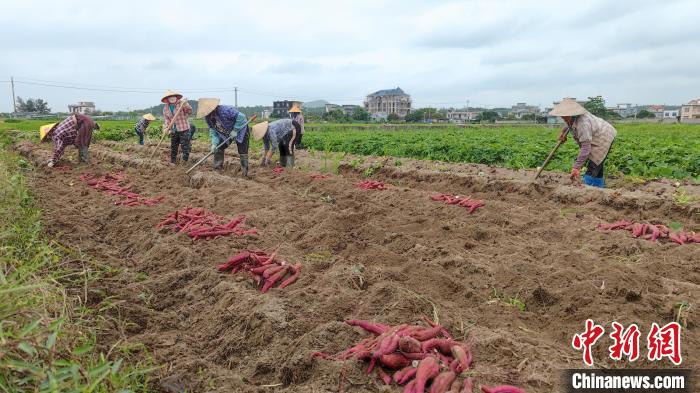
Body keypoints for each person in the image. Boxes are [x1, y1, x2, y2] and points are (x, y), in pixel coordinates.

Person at [550, 98, 617, 188]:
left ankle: (588, 190)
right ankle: (599, 188)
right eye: (562, 115)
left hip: (604, 136)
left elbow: (586, 148)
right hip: (598, 131)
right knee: (597, 166)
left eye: (565, 116)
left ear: (572, 114)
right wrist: (563, 132)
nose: (563, 117)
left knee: (595, 164)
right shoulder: (572, 118)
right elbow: (568, 124)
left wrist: (576, 167)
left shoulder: (583, 124)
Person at [196, 98, 250, 175]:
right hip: (225, 132)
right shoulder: (208, 118)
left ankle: (245, 172)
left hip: (240, 128)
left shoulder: (226, 110)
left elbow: (241, 117)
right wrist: (214, 143)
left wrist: (235, 129)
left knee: (242, 150)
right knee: (218, 147)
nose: (208, 113)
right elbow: (213, 130)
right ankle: (217, 168)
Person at [161, 90, 193, 163]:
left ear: (176, 97)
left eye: (173, 97)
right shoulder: (165, 108)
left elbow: (190, 112)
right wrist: (166, 128)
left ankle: (185, 162)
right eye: (170, 97)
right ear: (167, 99)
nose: (172, 98)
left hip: (184, 128)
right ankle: (173, 162)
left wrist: (186, 104)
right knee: (174, 146)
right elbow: (167, 119)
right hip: (174, 130)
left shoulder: (182, 103)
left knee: (185, 146)